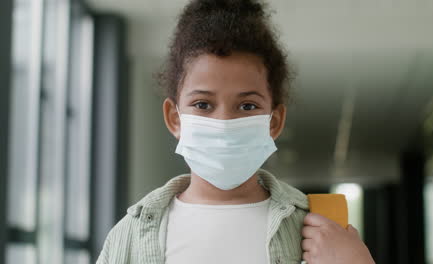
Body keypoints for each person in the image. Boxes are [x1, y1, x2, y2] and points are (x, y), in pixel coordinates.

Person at [96, 0, 375, 263]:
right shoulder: (130, 237)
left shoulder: (319, 227)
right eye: (203, 104)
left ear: (274, 121)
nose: (224, 123)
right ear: (174, 118)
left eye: (247, 105)